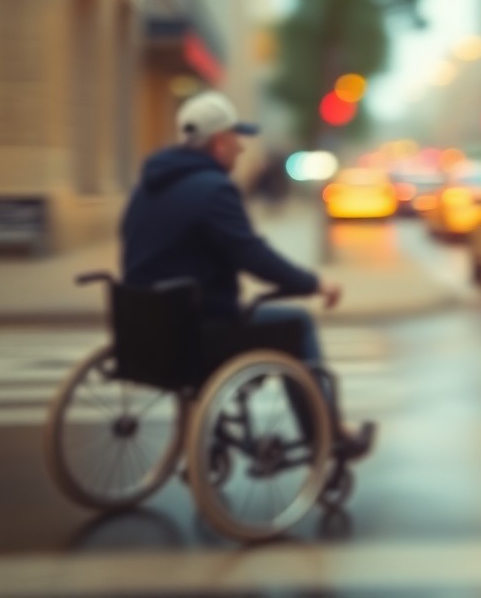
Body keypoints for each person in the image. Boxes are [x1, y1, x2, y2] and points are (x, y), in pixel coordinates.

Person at [120, 90, 373, 458]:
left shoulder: (146, 188)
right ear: (220, 141)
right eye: (237, 138)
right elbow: (251, 255)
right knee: (298, 324)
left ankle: (202, 443)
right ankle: (328, 432)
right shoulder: (215, 189)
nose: (241, 148)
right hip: (199, 332)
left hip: (146, 329)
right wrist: (314, 283)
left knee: (244, 315)